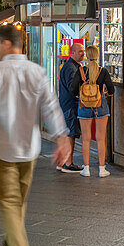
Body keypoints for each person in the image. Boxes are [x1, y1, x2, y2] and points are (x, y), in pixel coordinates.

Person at [0, 24, 71, 246]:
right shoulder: (37, 71)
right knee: (18, 205)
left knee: (9, 205)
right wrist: (61, 136)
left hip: (3, 149)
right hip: (29, 150)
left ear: (8, 44)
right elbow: (51, 107)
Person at [78, 45, 113, 177]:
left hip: (84, 107)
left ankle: (86, 169)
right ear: (97, 55)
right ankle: (101, 169)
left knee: (86, 139)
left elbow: (72, 88)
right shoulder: (102, 71)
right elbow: (111, 89)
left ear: (87, 56)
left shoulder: (81, 71)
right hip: (100, 106)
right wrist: (105, 93)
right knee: (100, 138)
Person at [56, 43, 84, 173]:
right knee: (70, 133)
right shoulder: (72, 68)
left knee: (68, 132)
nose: (82, 53)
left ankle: (62, 162)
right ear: (72, 53)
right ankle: (68, 163)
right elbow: (73, 87)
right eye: (80, 51)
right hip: (70, 104)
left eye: (83, 51)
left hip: (67, 103)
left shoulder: (71, 66)